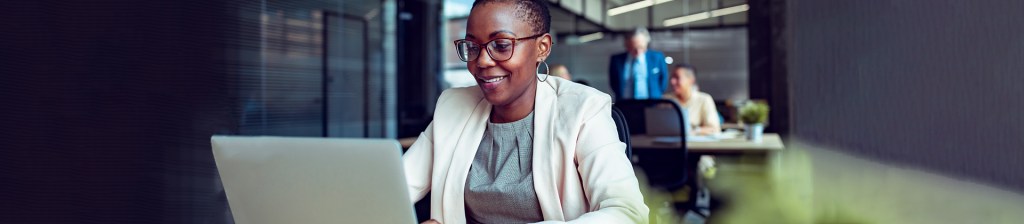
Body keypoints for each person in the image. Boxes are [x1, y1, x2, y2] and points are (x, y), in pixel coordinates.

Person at [403, 0, 649, 223]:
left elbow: (627, 212)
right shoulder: (453, 106)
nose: (482, 61)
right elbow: (394, 189)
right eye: (472, 46)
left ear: (542, 47)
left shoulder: (583, 109)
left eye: (500, 45)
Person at [607, 27, 669, 101]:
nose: (638, 52)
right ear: (626, 45)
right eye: (634, 48)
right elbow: (613, 83)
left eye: (641, 47)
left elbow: (663, 81)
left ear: (646, 44)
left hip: (652, 104)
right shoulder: (616, 60)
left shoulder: (657, 57)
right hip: (625, 104)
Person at [662, 64, 721, 136]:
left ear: (691, 80)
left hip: (696, 145)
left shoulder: (704, 99)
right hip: (668, 144)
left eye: (677, 77)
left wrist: (695, 131)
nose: (672, 81)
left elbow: (714, 129)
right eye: (672, 78)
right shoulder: (666, 100)